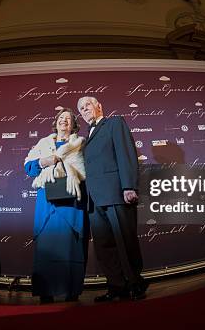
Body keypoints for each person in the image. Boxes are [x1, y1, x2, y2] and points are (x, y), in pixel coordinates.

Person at [77, 96, 147, 301]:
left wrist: (128, 186)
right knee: (104, 246)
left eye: (87, 105)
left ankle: (135, 283)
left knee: (125, 241)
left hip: (116, 193)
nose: (84, 110)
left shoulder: (114, 123)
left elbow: (126, 154)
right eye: (81, 109)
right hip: (94, 199)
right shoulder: (85, 137)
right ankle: (117, 286)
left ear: (99, 106)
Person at [23, 108, 88, 303]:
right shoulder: (43, 143)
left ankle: (71, 292)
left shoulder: (81, 144)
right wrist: (45, 161)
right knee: (47, 246)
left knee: (71, 247)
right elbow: (28, 167)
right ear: (56, 122)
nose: (64, 121)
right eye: (61, 118)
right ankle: (45, 292)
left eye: (68, 119)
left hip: (72, 200)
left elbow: (87, 169)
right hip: (47, 202)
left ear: (74, 125)